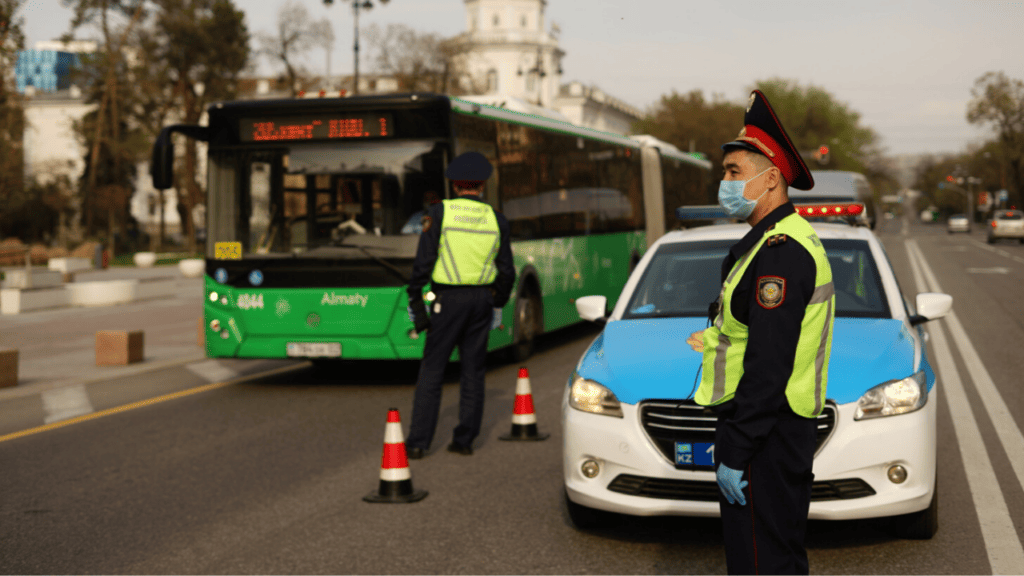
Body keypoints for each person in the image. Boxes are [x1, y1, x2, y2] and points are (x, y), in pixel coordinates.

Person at [688, 90, 835, 575]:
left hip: (765, 437)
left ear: (770, 178)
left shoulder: (779, 251)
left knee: (760, 563)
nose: (723, 182)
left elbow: (769, 364)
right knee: (776, 556)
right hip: (773, 433)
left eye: (734, 172)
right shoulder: (772, 244)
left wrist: (736, 448)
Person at [405, 152, 515, 458]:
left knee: (432, 371)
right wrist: (497, 299)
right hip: (481, 300)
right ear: (482, 185)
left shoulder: (439, 213)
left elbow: (423, 263)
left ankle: (417, 443)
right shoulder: (497, 219)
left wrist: (416, 301)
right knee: (473, 370)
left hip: (447, 300)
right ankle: (464, 440)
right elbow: (507, 270)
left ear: (454, 185)